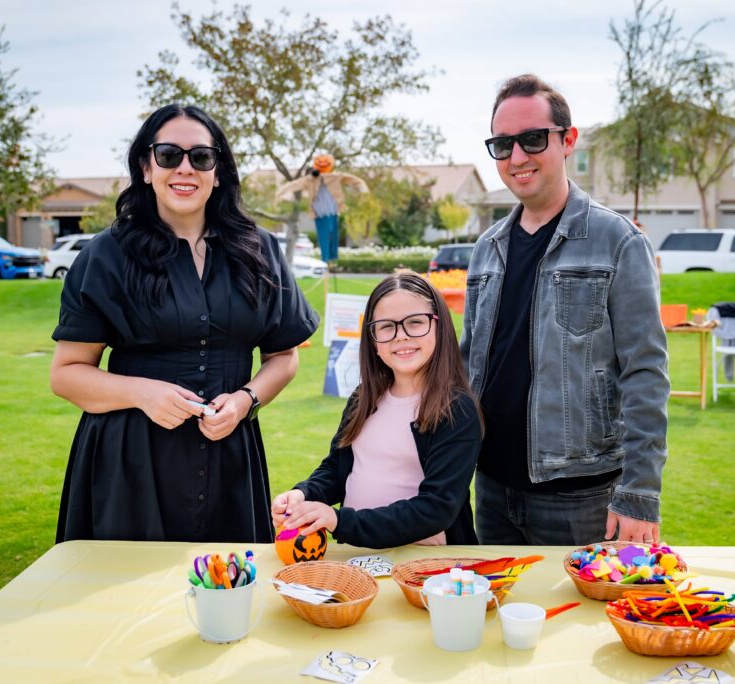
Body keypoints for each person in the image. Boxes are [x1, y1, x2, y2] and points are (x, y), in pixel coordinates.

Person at [50, 104, 319, 543]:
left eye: (201, 157)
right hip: (130, 465)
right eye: (169, 155)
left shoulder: (260, 250)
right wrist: (142, 393)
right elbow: (66, 375)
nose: (185, 169)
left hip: (230, 456)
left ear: (219, 170)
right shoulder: (107, 255)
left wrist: (246, 400)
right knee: (126, 606)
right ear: (145, 167)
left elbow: (283, 357)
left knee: (228, 599)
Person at [461, 74, 669, 546]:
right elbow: (464, 368)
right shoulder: (485, 249)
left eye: (533, 139)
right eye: (502, 144)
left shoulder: (619, 242)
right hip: (490, 490)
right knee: (494, 620)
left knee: (582, 622)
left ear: (567, 140)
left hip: (581, 498)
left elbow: (646, 373)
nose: (517, 157)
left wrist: (638, 494)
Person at [272, 271, 481, 548]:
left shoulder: (455, 410)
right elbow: (337, 468)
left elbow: (437, 507)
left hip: (421, 564)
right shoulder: (364, 398)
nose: (401, 336)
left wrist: (340, 521)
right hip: (358, 557)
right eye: (386, 326)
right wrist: (304, 493)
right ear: (373, 339)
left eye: (415, 323)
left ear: (439, 326)